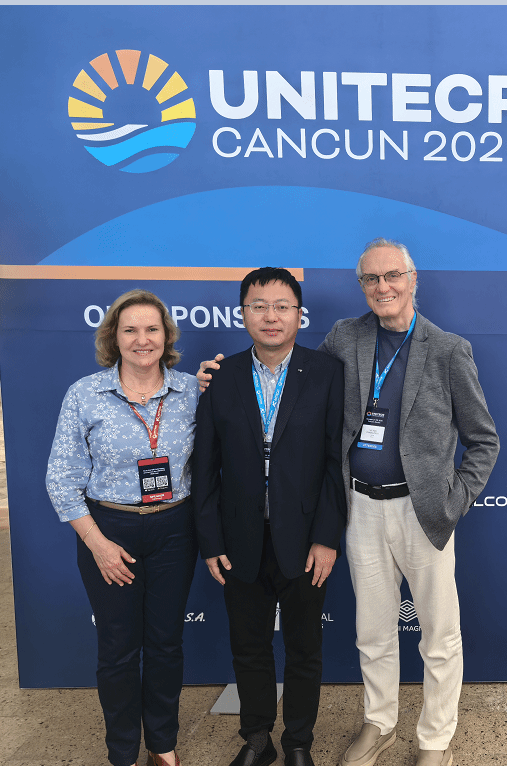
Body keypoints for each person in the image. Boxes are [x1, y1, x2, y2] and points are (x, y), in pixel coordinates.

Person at [200, 241, 499, 766]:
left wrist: (452, 501)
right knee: (373, 632)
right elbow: (296, 380)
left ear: (413, 279)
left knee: (439, 635)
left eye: (392, 275)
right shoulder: (345, 337)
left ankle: (434, 740)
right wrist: (216, 377)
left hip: (423, 513)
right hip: (360, 509)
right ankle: (380, 723)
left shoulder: (449, 350)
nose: (383, 287)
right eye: (371, 279)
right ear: (360, 285)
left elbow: (484, 440)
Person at [192, 267, 347, 766]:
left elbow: (335, 463)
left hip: (303, 539)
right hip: (239, 538)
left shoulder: (327, 373)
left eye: (282, 306)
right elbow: (205, 466)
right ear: (243, 314)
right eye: (259, 306)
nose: (271, 316)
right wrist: (211, 540)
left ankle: (299, 741)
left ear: (300, 314)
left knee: (304, 649)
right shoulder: (221, 376)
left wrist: (327, 536)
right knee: (249, 647)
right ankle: (257, 739)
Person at [46, 289, 199, 766]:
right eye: (130, 330)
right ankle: (123, 752)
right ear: (113, 337)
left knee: (166, 644)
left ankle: (162, 744)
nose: (142, 339)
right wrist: (98, 544)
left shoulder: (192, 392)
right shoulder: (85, 394)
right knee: (117, 649)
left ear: (166, 336)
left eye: (152, 329)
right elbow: (61, 479)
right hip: (108, 529)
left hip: (175, 529)